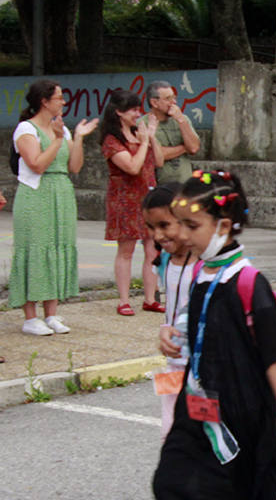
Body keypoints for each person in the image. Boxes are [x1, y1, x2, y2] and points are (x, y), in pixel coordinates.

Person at [153, 170, 276, 500]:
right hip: (199, 401)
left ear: (222, 226)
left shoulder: (247, 281)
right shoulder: (201, 273)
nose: (181, 235)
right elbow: (191, 326)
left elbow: (274, 354)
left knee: (244, 494)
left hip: (244, 408)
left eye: (191, 226)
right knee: (176, 480)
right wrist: (169, 336)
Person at [10, 79, 98, 335]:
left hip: (61, 192)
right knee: (36, 248)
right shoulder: (26, 128)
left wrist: (78, 138)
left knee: (57, 247)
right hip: (36, 193)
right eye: (59, 98)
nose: (64, 102)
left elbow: (75, 167)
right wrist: (58, 140)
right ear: (44, 101)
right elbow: (36, 164)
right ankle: (30, 316)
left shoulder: (62, 129)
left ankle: (51, 314)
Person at [141, 182, 192, 500]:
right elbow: (170, 307)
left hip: (204, 369)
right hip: (173, 364)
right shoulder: (165, 262)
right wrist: (165, 330)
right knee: (170, 435)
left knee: (206, 435)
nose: (159, 236)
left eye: (165, 226)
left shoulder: (206, 263)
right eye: (152, 228)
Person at [100, 87, 164, 316]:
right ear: (119, 112)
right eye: (133, 110)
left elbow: (159, 161)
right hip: (124, 199)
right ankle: (124, 300)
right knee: (126, 250)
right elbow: (132, 167)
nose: (138, 114)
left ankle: (150, 298)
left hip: (147, 197)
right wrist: (144, 142)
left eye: (138, 109)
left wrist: (151, 138)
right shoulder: (111, 139)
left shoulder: (141, 132)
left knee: (152, 249)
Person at [144, 80, 200, 183]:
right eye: (168, 99)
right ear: (154, 103)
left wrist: (181, 120)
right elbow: (157, 155)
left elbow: (193, 148)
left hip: (184, 186)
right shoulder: (142, 124)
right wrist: (184, 147)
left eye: (174, 98)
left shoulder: (183, 119)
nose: (174, 102)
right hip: (158, 187)